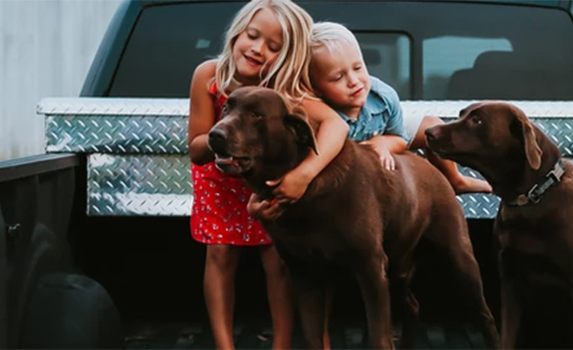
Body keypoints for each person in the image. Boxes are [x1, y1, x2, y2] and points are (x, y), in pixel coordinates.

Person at [185, 1, 349, 349]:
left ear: (289, 55)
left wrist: (305, 174)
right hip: (218, 178)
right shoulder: (208, 77)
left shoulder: (285, 94)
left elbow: (336, 124)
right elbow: (196, 148)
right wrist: (224, 138)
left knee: (277, 260)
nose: (258, 49)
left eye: (274, 47)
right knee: (220, 254)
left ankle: (282, 344)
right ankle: (224, 345)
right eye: (253, 36)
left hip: (267, 183)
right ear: (238, 31)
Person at [306, 21, 491, 194]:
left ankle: (455, 180)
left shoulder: (383, 97)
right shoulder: (318, 114)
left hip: (382, 133)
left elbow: (400, 138)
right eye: (338, 78)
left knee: (432, 126)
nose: (354, 82)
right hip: (344, 162)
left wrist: (384, 143)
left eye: (358, 68)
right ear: (315, 87)